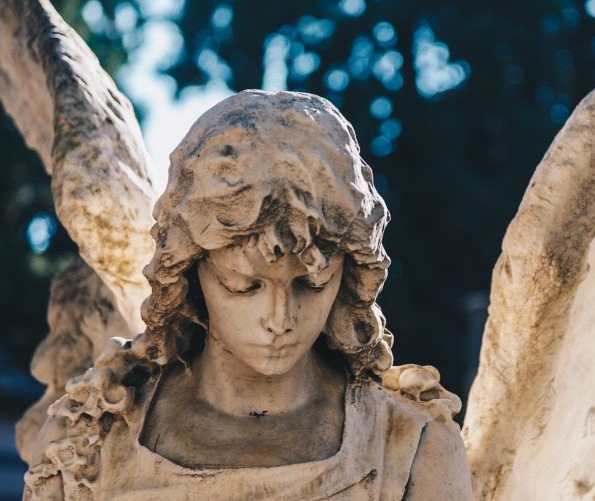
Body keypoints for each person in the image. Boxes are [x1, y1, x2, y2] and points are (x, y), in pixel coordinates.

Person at [24, 90, 472, 500]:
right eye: (245, 285)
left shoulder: (409, 445)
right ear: (189, 268)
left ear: (349, 278)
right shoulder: (89, 439)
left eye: (311, 285)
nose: (279, 320)